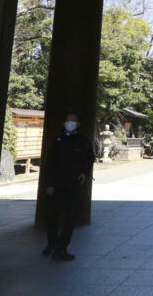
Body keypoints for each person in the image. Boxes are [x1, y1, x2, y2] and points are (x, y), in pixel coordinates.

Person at [42, 112, 94, 261]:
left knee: (70, 218)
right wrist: (49, 183)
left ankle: (62, 247)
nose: (69, 123)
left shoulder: (83, 141)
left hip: (73, 185)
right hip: (56, 184)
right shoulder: (57, 140)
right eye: (67, 121)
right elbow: (49, 163)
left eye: (72, 121)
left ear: (78, 124)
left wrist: (85, 172)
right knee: (52, 216)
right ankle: (51, 243)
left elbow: (89, 158)